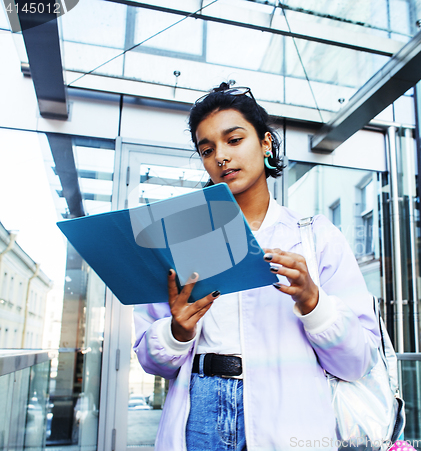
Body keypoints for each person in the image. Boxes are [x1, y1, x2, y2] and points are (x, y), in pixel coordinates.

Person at [133, 83, 381, 451]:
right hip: (198, 414)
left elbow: (358, 362)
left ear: (265, 144)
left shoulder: (316, 237)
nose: (221, 156)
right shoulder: (178, 241)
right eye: (207, 149)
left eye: (234, 140)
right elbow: (150, 361)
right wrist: (177, 332)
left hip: (290, 418)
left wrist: (315, 303)